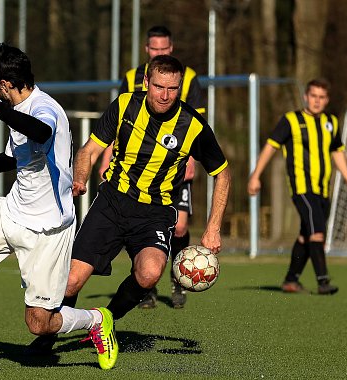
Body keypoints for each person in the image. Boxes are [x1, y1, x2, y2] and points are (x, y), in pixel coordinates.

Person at [28, 54, 231, 365]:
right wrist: (80, 179)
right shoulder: (124, 105)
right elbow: (89, 149)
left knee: (149, 273)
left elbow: (223, 173)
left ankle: (104, 320)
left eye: (173, 88)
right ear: (146, 82)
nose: (166, 95)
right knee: (70, 281)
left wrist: (213, 226)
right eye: (159, 86)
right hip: (112, 202)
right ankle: (48, 338)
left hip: (156, 212)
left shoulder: (193, 125)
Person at [0, 43, 116, 371]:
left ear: (5, 85)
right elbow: (14, 156)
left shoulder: (46, 109)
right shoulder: (16, 109)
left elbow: (40, 131)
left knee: (40, 324)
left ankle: (96, 320)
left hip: (48, 230)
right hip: (10, 212)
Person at [100, 25, 205, 309]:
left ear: (171, 49)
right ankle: (147, 286)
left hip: (175, 164)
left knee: (180, 227)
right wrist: (106, 155)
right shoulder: (132, 78)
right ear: (147, 50)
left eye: (164, 48)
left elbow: (196, 123)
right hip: (135, 168)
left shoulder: (189, 77)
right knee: (137, 226)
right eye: (155, 48)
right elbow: (117, 120)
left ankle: (178, 278)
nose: (159, 52)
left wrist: (191, 160)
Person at [247, 78, 347, 295]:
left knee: (305, 234)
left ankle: (291, 280)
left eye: (321, 97)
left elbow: (337, 151)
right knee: (317, 232)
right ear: (306, 97)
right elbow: (271, 147)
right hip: (301, 187)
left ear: (326, 100)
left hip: (323, 188)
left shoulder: (332, 122)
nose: (317, 101)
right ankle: (323, 281)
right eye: (313, 96)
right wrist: (256, 175)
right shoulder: (291, 120)